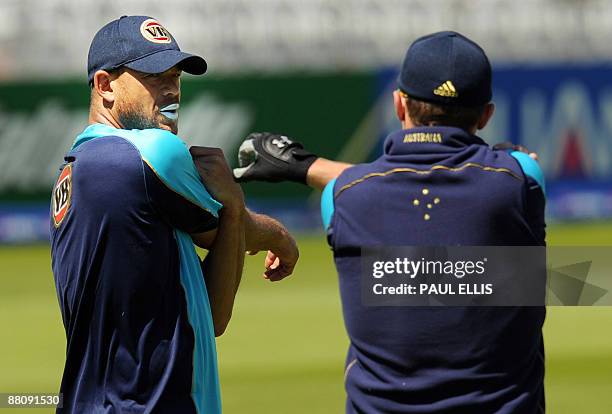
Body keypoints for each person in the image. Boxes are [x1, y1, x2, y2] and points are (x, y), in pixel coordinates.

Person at [234, 31, 546, 413]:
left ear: (399, 106)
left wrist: (303, 167)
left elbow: (382, 187)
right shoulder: (521, 179)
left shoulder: (344, 198)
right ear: (486, 115)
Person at [50, 15, 298, 414]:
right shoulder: (149, 152)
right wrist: (278, 235)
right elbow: (239, 233)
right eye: (153, 76)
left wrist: (232, 210)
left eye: (176, 75)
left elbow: (212, 319)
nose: (171, 89)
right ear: (104, 86)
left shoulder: (76, 168)